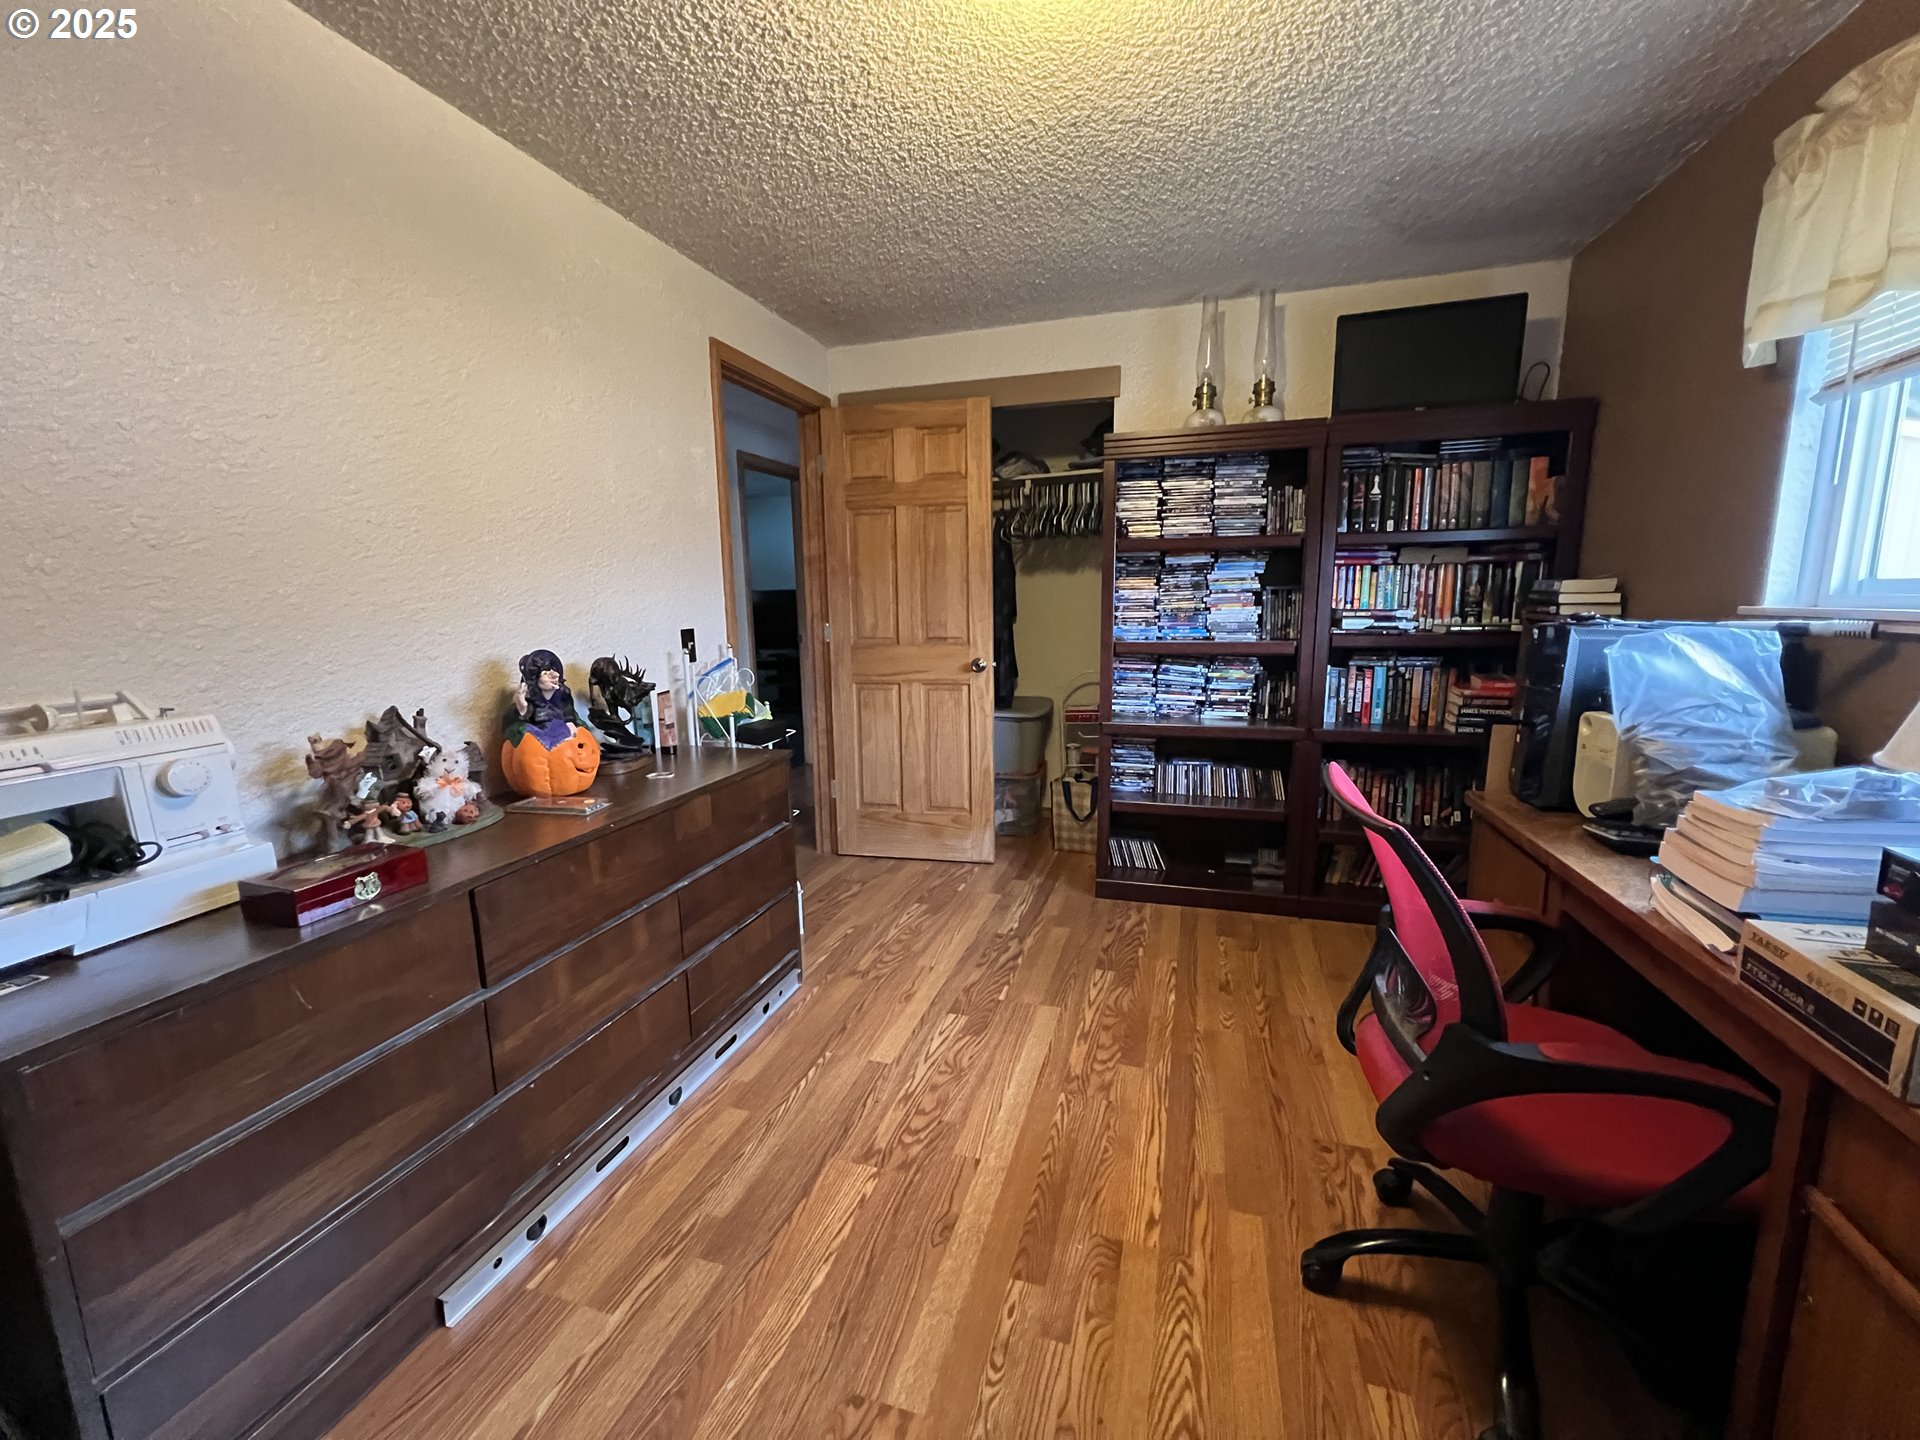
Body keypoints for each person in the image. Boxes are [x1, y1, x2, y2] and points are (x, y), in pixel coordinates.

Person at [507, 649, 579, 748]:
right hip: (540, 731)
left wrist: (570, 722)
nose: (555, 676)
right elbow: (527, 715)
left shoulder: (563, 692)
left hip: (562, 730)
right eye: (545, 673)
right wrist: (522, 705)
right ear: (535, 678)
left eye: (555, 671)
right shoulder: (531, 695)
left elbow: (568, 710)